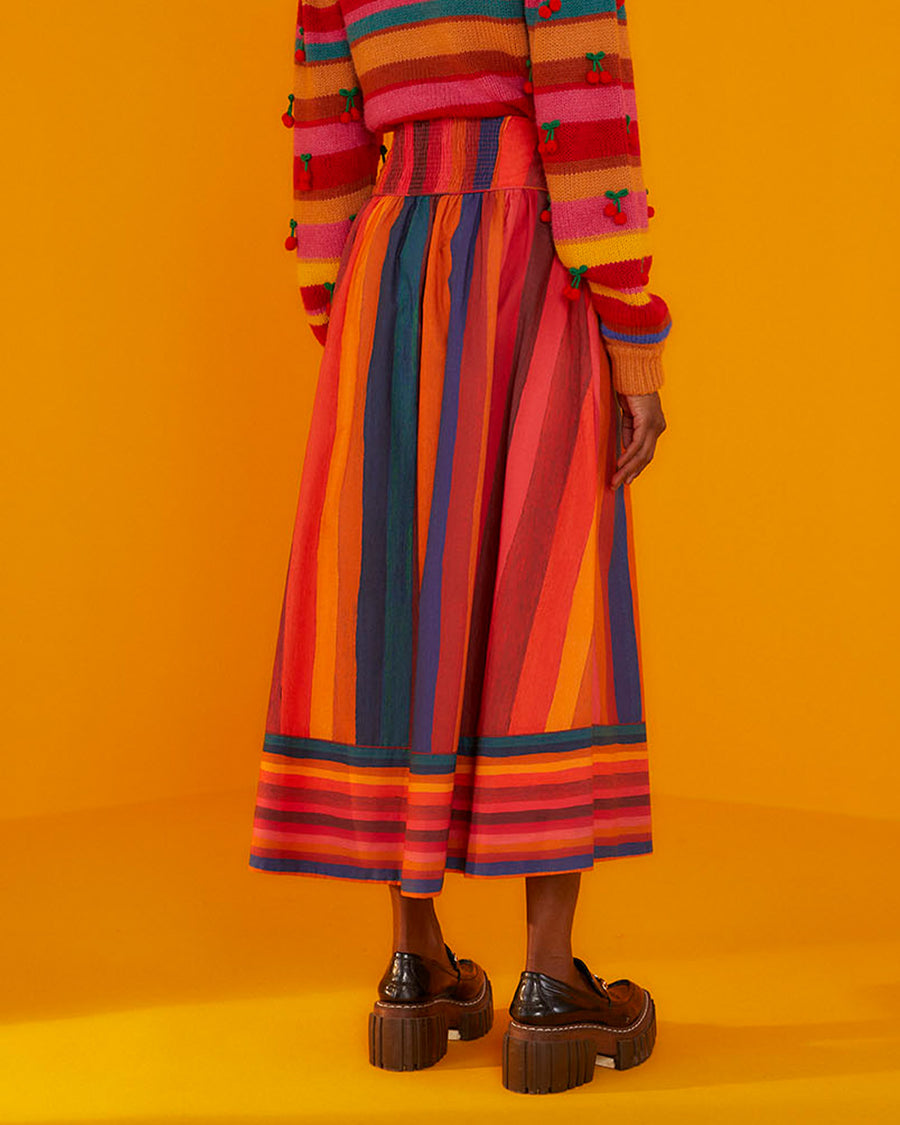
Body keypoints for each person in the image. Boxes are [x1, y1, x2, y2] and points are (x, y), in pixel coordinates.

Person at [250, 0, 670, 1096]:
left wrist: (349, 336)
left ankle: (415, 963)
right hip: (526, 257)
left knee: (402, 602)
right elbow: (588, 128)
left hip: (387, 272)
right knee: (549, 592)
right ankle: (545, 984)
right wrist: (634, 344)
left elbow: (322, 150)